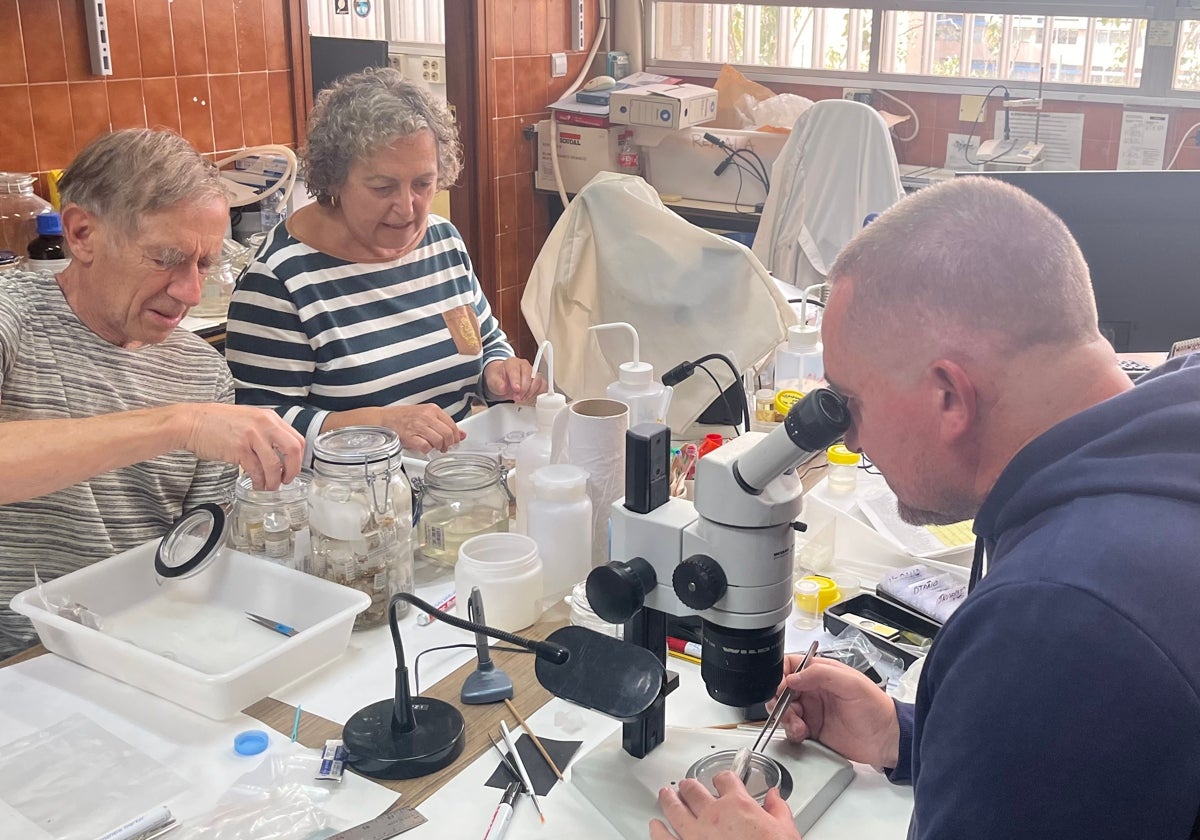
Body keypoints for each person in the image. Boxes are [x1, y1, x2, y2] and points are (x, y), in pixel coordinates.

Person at [651, 176, 1200, 840]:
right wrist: (909, 734)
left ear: (949, 397)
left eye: (850, 403)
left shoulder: (1061, 618)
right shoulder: (1165, 432)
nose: (849, 437)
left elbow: (1068, 669)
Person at [0, 129, 305, 659]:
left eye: (204, 263)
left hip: (143, 643)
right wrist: (179, 425)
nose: (190, 291)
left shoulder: (201, 371)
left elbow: (195, 557)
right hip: (20, 660)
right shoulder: (14, 320)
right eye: (166, 258)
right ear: (81, 233)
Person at [225, 68, 542, 458]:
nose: (407, 207)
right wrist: (379, 424)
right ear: (335, 180)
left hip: (457, 479)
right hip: (352, 500)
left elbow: (483, 340)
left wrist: (497, 374)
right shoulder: (279, 280)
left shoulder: (442, 242)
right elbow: (259, 427)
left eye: (423, 184)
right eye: (382, 187)